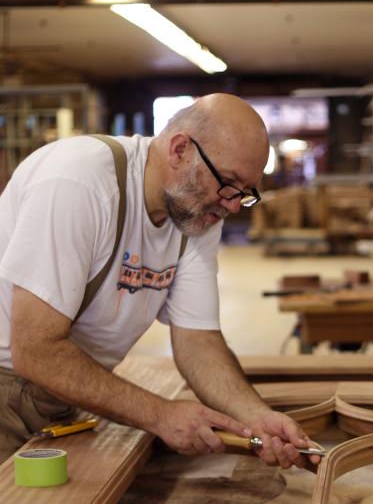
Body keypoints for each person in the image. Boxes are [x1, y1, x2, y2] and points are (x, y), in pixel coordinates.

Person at [0, 93, 318, 468]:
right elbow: (35, 348)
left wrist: (254, 416)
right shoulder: (78, 182)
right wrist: (160, 414)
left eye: (245, 192)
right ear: (180, 149)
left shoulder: (195, 213)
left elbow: (198, 340)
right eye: (229, 183)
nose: (233, 205)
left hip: (66, 389)